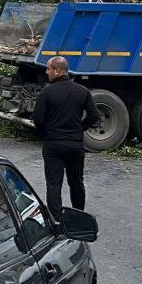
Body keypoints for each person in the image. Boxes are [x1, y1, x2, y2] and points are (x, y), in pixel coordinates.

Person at [32, 56, 98, 217]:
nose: (46, 72)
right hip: (75, 145)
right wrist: (79, 129)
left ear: (57, 70)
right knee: (76, 182)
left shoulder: (47, 92)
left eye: (48, 69)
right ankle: (78, 216)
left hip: (53, 145)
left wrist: (47, 134)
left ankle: (56, 220)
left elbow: (38, 119)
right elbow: (94, 116)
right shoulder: (82, 91)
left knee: (54, 184)